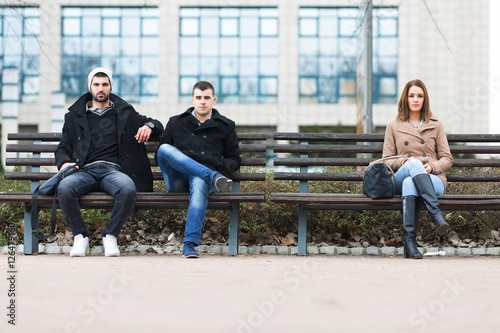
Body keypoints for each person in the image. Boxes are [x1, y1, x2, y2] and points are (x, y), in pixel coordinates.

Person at [55, 67, 164, 257]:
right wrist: (64, 162)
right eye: (96, 84)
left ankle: (110, 235)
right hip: (84, 171)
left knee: (128, 188)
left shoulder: (125, 113)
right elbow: (63, 147)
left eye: (105, 84)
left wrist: (148, 126)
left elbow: (157, 124)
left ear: (110, 87)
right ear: (90, 87)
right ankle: (80, 236)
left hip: (114, 171)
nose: (101, 88)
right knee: (64, 188)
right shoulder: (74, 117)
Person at [156, 81, 241, 258]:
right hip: (177, 178)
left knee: (200, 180)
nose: (203, 101)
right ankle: (211, 176)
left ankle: (189, 244)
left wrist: (220, 165)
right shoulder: (175, 122)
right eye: (199, 98)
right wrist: (211, 171)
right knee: (163, 149)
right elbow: (164, 156)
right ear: (192, 99)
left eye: (207, 98)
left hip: (201, 182)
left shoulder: (225, 125)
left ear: (214, 100)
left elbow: (234, 159)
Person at [382, 79, 453, 259]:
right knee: (412, 165)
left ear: (425, 99)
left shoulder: (436, 124)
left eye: (419, 96)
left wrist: (433, 166)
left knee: (410, 182)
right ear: (405, 98)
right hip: (402, 173)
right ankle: (436, 216)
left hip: (433, 178)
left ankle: (410, 244)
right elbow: (386, 160)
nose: (415, 99)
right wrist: (404, 163)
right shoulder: (394, 125)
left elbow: (447, 158)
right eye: (411, 95)